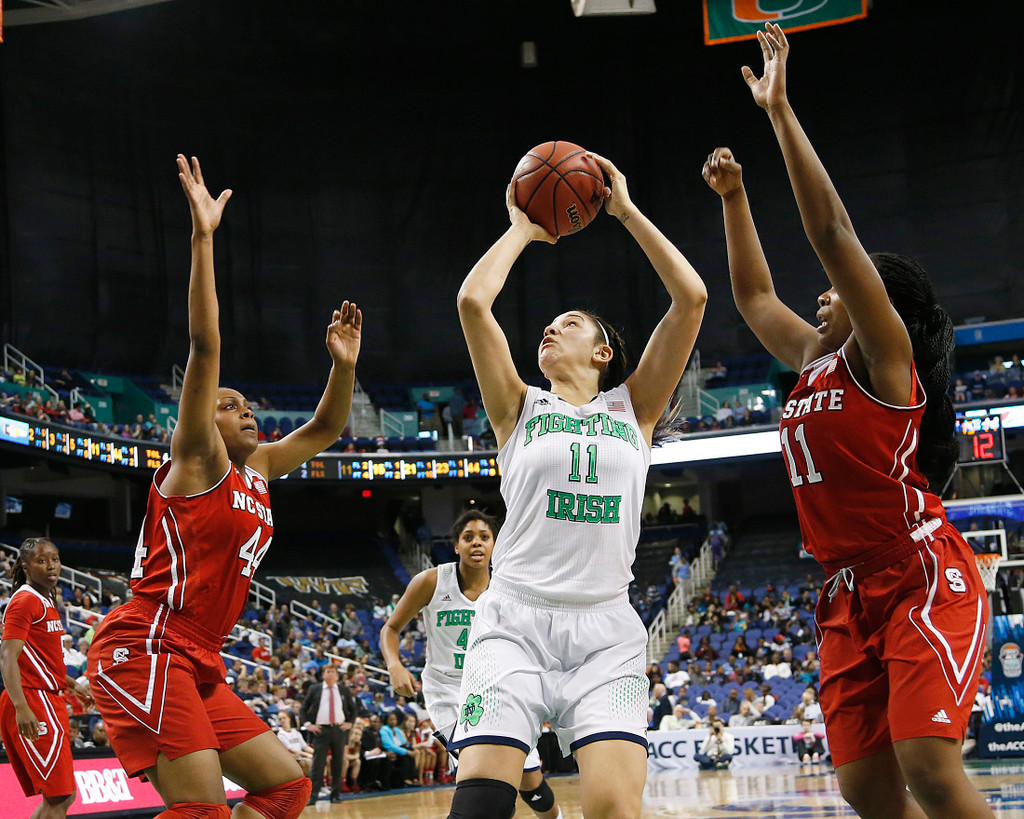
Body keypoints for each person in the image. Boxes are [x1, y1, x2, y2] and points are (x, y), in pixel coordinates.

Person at [703, 24, 992, 819]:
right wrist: (734, 200)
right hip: (843, 591)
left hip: (918, 572)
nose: (823, 295)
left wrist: (779, 113)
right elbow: (754, 298)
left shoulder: (884, 355)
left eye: (839, 290)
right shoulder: (810, 360)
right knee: (868, 792)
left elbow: (831, 234)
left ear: (875, 304)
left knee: (928, 767)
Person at [85, 156, 363, 819]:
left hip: (197, 655)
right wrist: (203, 239)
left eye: (247, 407)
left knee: (288, 786)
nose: (244, 411)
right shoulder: (197, 461)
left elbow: (326, 425)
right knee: (202, 808)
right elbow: (205, 347)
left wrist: (343, 364)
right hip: (146, 643)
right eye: (229, 404)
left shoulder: (260, 468)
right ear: (202, 417)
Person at [449, 151, 707, 819]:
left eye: (569, 323)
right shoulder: (518, 407)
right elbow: (474, 302)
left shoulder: (635, 407)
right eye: (547, 323)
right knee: (480, 803)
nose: (549, 328)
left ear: (603, 352)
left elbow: (692, 297)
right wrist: (523, 228)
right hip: (513, 621)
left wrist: (624, 210)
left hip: (605, 629)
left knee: (615, 808)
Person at [382, 510, 563, 818]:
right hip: (448, 692)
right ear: (456, 546)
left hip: (498, 690)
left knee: (531, 786)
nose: (476, 543)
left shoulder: (508, 587)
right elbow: (391, 628)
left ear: (494, 545)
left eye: (484, 537)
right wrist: (395, 665)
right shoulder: (431, 581)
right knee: (481, 778)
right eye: (468, 537)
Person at [0, 538, 94, 819]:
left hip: (45, 697)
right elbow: (7, 656)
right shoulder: (26, 600)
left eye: (55, 559)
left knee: (63, 795)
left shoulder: (43, 599)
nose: (51, 566)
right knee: (60, 795)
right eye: (41, 561)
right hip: (32, 699)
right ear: (25, 566)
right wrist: (21, 707)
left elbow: (39, 659)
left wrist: (72, 683)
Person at [300, 663, 358, 803]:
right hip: (321, 730)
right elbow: (303, 709)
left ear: (337, 675)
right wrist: (308, 725)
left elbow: (353, 709)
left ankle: (335, 795)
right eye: (328, 671)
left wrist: (350, 722)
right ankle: (313, 797)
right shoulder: (315, 689)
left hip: (339, 729)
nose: (330, 674)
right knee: (318, 765)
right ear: (323, 674)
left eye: (333, 671)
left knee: (338, 763)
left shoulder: (344, 690)